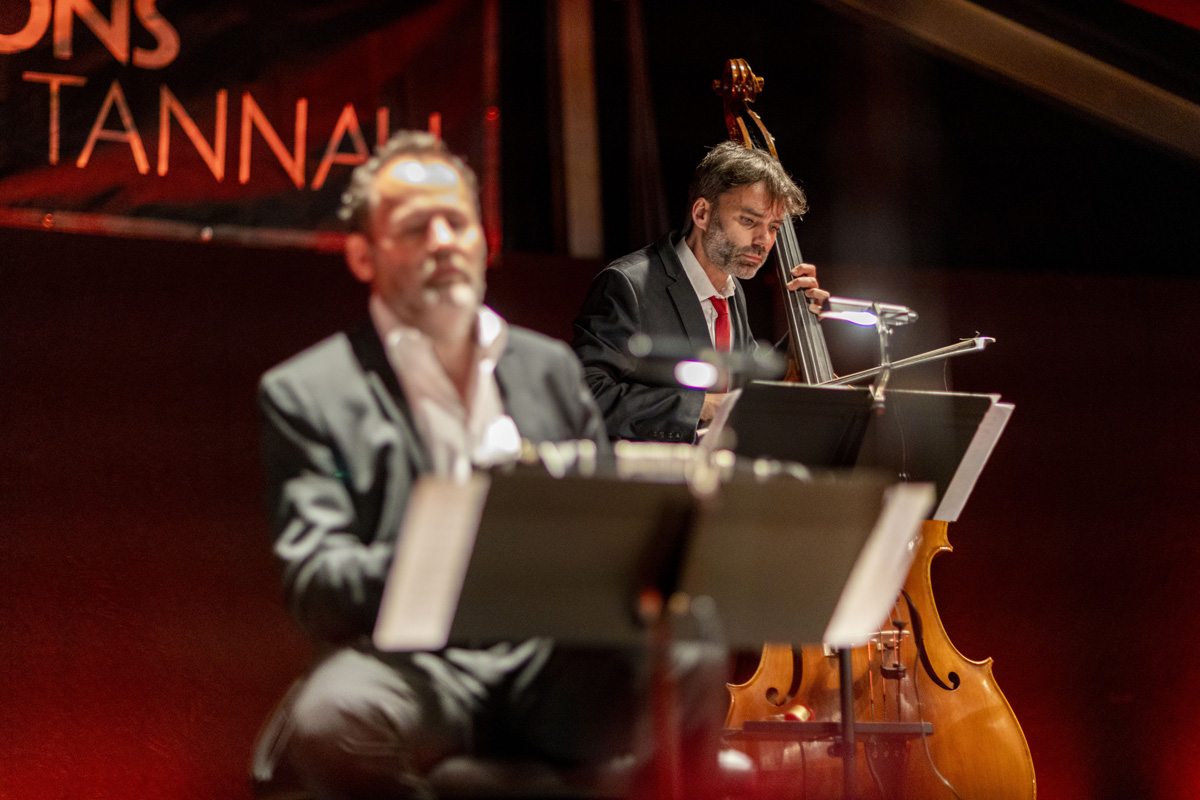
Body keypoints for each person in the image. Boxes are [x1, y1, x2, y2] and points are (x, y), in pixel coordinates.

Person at [252, 131, 728, 800]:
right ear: (362, 254)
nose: (444, 241)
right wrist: (458, 544)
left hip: (547, 666)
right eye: (415, 227)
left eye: (458, 222)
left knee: (694, 651)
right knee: (331, 720)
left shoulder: (548, 369)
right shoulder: (311, 391)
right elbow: (315, 586)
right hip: (414, 666)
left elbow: (603, 530)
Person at [571, 141, 830, 443]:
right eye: (749, 220)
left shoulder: (732, 291)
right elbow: (586, 394)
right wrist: (701, 407)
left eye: (773, 227)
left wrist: (801, 330)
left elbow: (743, 385)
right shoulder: (628, 284)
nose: (764, 240)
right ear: (702, 213)